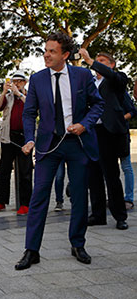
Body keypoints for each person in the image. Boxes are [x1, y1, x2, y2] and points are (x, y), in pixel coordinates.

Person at [15, 32, 104, 271]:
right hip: (47, 146)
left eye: (52, 51)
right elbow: (29, 113)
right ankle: (31, 250)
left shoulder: (83, 75)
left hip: (78, 144)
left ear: (65, 55)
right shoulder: (38, 79)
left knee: (78, 196)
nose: (46, 54)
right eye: (45, 50)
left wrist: (84, 124)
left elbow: (98, 104)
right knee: (39, 197)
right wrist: (30, 139)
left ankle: (77, 244)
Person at [79, 49, 129, 230]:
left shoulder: (117, 79)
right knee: (94, 175)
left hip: (109, 132)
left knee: (111, 175)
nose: (98, 64)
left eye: (102, 61)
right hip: (92, 132)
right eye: (97, 61)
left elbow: (115, 78)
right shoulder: (90, 82)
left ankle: (120, 216)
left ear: (111, 64)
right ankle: (98, 214)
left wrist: (91, 60)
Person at [0, 71, 33, 216]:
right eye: (14, 81)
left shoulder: (30, 96)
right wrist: (4, 92)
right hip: (8, 137)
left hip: (25, 137)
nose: (17, 84)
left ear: (25, 83)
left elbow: (34, 107)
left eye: (20, 81)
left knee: (25, 172)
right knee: (3, 171)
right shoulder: (8, 97)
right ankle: (1, 201)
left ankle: (26, 203)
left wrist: (19, 94)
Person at [121, 91, 137, 209]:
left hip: (121, 134)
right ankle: (111, 196)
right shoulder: (94, 85)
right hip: (103, 135)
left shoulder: (119, 89)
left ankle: (129, 198)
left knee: (126, 167)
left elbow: (132, 111)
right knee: (107, 170)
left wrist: (120, 119)